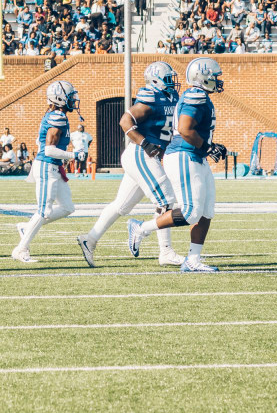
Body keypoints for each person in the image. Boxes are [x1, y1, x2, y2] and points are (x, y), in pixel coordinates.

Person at [77, 60, 184, 267]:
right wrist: (145, 144)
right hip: (141, 154)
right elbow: (125, 121)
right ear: (155, 80)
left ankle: (89, 239)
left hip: (147, 156)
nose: (172, 83)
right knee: (165, 201)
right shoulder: (150, 96)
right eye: (168, 79)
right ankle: (165, 251)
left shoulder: (171, 96)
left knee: (121, 205)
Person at [128, 56, 225, 272]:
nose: (218, 80)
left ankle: (193, 260)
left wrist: (212, 145)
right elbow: (184, 128)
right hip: (183, 155)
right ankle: (141, 228)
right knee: (190, 212)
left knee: (206, 212)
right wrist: (207, 147)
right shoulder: (195, 95)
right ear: (203, 78)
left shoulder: (200, 96)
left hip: (195, 155)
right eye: (215, 76)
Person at [12, 81, 83, 263]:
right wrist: (73, 155)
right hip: (47, 166)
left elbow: (39, 140)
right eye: (69, 97)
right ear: (60, 98)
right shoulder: (57, 117)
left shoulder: (56, 115)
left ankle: (26, 228)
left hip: (53, 167)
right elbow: (49, 150)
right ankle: (21, 249)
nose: (73, 100)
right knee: (44, 211)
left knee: (68, 207)